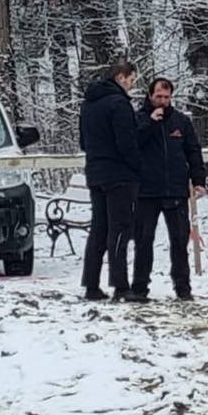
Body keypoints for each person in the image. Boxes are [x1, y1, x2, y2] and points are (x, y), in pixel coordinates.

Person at [131, 77, 207, 301]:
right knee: (144, 241)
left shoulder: (181, 121)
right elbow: (132, 145)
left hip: (175, 190)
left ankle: (183, 288)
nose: (162, 101)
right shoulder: (138, 119)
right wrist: (150, 123)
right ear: (150, 96)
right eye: (158, 97)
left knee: (179, 241)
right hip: (146, 191)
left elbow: (193, 151)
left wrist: (199, 180)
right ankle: (139, 288)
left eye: (166, 97)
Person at [79, 58, 142, 300]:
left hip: (95, 173)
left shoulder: (88, 104)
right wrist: (137, 167)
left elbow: (83, 142)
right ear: (121, 77)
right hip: (119, 175)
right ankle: (120, 285)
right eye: (131, 80)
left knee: (99, 229)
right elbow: (126, 142)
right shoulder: (119, 104)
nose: (132, 85)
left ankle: (91, 283)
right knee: (120, 229)